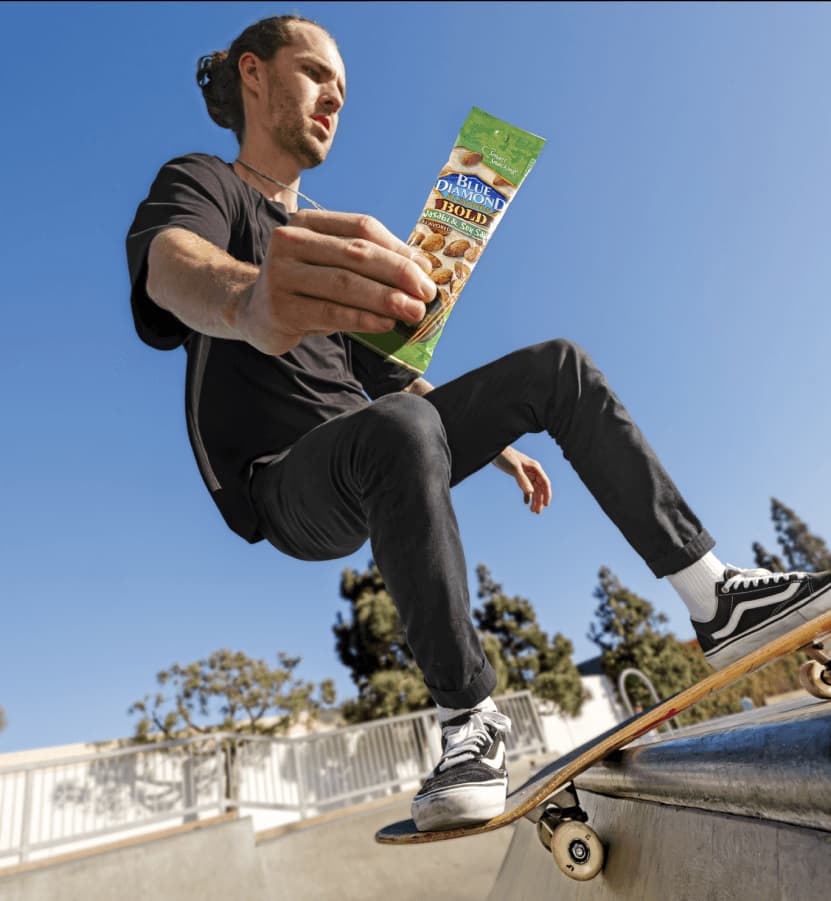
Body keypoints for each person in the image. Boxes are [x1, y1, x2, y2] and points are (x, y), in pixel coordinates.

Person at [126, 14, 831, 832]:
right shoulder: (207, 180)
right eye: (315, 75)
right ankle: (469, 722)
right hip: (286, 484)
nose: (333, 102)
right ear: (252, 73)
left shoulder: (322, 240)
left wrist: (499, 448)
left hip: (385, 444)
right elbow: (171, 263)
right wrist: (245, 302)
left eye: (344, 94)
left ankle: (714, 599)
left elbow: (393, 376)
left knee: (553, 368)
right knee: (395, 424)